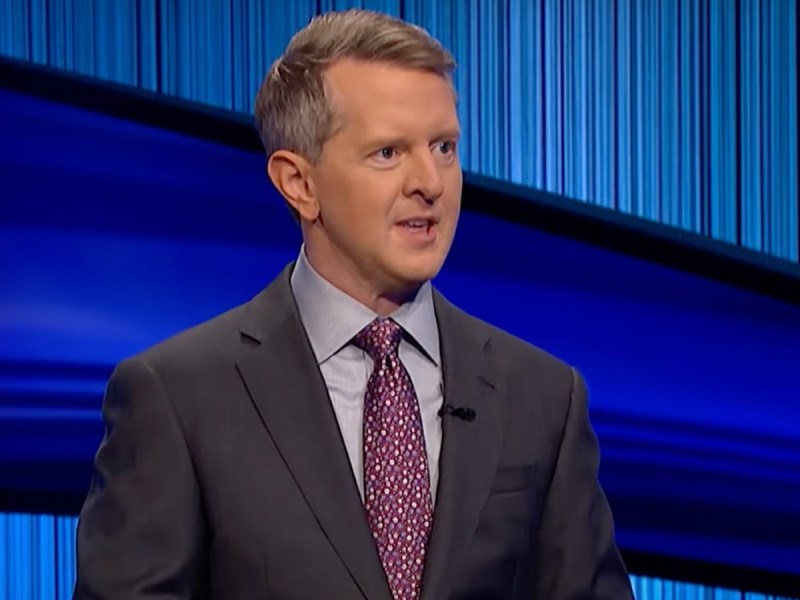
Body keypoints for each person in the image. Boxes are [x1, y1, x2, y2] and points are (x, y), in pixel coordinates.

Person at [74, 9, 634, 600]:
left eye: (443, 147)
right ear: (300, 183)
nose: (431, 182)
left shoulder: (544, 398)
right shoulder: (177, 399)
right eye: (388, 152)